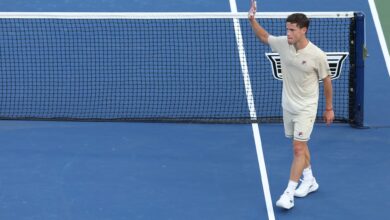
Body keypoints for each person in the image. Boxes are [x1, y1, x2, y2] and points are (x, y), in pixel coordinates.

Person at [248, 1, 335, 210]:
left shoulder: (317, 55)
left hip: (306, 107)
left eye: (292, 30)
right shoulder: (283, 44)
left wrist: (329, 108)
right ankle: (310, 179)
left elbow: (327, 81)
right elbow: (263, 37)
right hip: (288, 105)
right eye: (287, 28)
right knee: (300, 145)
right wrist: (252, 19)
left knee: (297, 148)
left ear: (303, 30)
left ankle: (288, 194)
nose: (288, 33)